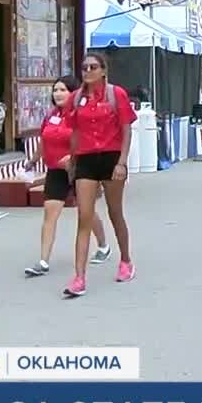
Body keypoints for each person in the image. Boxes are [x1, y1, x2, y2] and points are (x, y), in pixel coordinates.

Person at [62, 53, 138, 298]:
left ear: (103, 70)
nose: (87, 71)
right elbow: (74, 132)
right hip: (86, 159)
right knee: (84, 217)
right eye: (84, 67)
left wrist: (122, 162)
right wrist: (72, 160)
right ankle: (79, 277)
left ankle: (126, 260)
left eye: (93, 67)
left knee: (115, 212)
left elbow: (127, 129)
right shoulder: (75, 99)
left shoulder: (116, 95)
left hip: (111, 156)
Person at [21, 76, 111, 277]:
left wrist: (74, 159)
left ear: (73, 93)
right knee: (50, 214)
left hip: (80, 171)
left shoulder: (81, 115)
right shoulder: (50, 116)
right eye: (55, 90)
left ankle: (103, 245)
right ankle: (43, 261)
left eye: (63, 90)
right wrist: (33, 160)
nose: (58, 94)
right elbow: (43, 141)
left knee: (86, 211)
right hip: (55, 170)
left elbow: (91, 141)